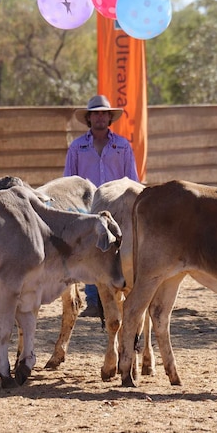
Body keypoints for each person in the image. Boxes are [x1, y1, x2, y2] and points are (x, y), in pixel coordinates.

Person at [64, 94, 139, 317]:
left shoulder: (122, 146)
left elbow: (132, 179)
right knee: (92, 252)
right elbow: (69, 180)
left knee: (120, 249)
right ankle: (94, 301)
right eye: (96, 113)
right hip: (88, 206)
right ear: (89, 118)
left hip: (119, 203)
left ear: (109, 117)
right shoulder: (77, 147)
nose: (100, 117)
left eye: (104, 113)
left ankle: (120, 297)